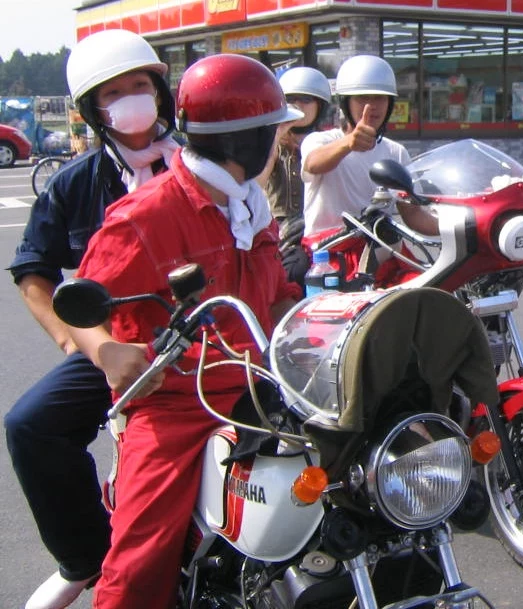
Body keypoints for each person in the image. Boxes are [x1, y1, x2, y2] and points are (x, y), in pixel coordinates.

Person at [65, 53, 303, 609]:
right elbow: (82, 302)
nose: (279, 143)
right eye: (274, 132)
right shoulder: (145, 215)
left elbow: (277, 295)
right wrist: (107, 351)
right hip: (177, 403)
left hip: (263, 386)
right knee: (139, 559)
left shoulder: (250, 209)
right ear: (250, 141)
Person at [4, 29, 179, 609]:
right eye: (114, 92)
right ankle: (87, 557)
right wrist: (83, 345)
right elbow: (33, 270)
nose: (132, 100)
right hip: (117, 347)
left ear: (162, 92)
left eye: (141, 86)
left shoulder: (201, 167)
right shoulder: (73, 184)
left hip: (206, 341)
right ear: (91, 110)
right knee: (31, 425)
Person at [300, 54, 436, 284]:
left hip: (383, 252)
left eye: (380, 98)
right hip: (331, 256)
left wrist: (468, 225)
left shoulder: (396, 152)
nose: (372, 106)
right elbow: (314, 163)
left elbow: (413, 215)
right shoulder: (320, 141)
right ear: (345, 102)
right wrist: (349, 143)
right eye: (363, 97)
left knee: (430, 295)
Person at [258, 66, 333, 285]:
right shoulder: (271, 144)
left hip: (321, 229)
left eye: (306, 99)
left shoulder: (328, 144)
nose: (298, 105)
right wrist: (277, 133)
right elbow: (258, 181)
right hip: (279, 231)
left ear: (320, 105)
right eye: (291, 99)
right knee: (293, 270)